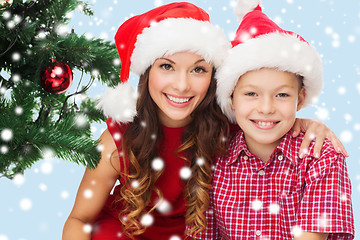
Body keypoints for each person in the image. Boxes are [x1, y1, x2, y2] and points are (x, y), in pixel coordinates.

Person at [62, 2, 348, 240]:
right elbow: (78, 219)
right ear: (147, 72)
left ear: (215, 78)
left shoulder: (227, 128)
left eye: (198, 69)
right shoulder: (118, 138)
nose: (182, 85)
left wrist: (306, 122)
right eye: (166, 66)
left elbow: (266, 113)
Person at [195, 1, 355, 239]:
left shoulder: (321, 157)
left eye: (281, 95)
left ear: (300, 99)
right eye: (251, 94)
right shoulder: (214, 158)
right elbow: (204, 234)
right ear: (231, 98)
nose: (266, 108)